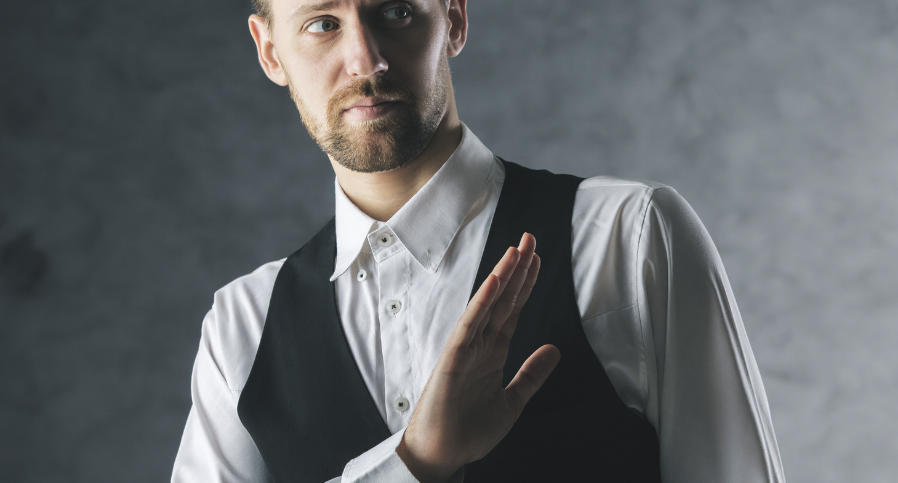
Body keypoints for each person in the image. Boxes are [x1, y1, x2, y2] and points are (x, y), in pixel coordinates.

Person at [169, 0, 785, 481]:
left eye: (397, 13)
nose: (365, 60)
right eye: (323, 23)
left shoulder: (629, 236)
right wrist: (413, 464)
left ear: (455, 18)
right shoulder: (242, 325)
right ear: (270, 52)